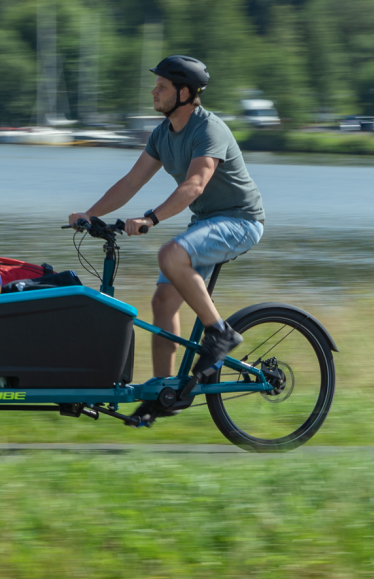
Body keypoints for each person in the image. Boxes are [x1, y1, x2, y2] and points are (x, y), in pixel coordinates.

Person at [67, 55, 266, 424]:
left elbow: (195, 184)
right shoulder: (162, 133)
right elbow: (131, 182)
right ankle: (165, 391)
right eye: (155, 85)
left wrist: (151, 218)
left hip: (240, 221)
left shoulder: (210, 130)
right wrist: (89, 215)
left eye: (161, 86)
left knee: (171, 254)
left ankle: (220, 333)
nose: (154, 91)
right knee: (162, 301)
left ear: (185, 92)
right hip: (206, 222)